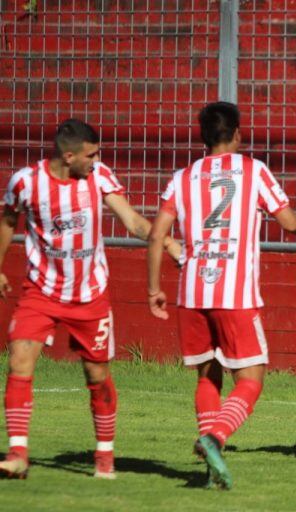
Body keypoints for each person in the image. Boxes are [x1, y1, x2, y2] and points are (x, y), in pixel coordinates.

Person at [146, 101, 296, 489]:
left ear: (203, 137)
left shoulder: (183, 177)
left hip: (191, 292)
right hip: (235, 293)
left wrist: (154, 288)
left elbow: (157, 234)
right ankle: (215, 437)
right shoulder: (253, 170)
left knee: (208, 377)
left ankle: (212, 468)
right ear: (239, 133)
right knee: (252, 378)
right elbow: (289, 223)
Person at [0, 118, 181, 479]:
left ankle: (104, 457)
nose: (96, 161)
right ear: (69, 156)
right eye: (91, 155)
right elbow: (8, 220)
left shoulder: (98, 177)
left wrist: (171, 244)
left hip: (90, 295)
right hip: (41, 291)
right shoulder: (26, 182)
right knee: (20, 359)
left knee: (96, 375)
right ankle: (18, 453)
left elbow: (132, 221)